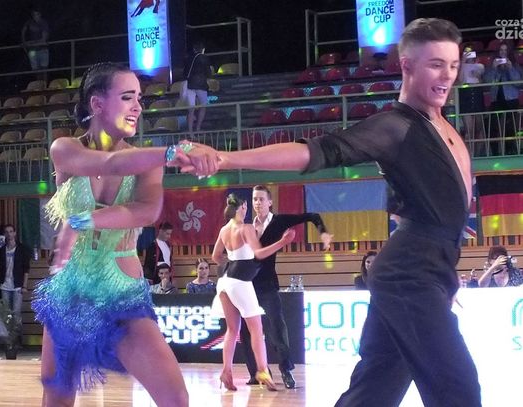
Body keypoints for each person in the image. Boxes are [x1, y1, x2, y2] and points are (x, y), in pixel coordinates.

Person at [175, 18, 482, 406]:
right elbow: (315, 153)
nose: (448, 75)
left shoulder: (440, 124)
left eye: (453, 65)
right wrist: (225, 158)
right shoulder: (395, 126)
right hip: (410, 273)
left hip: (423, 270)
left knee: (374, 390)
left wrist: (442, 276)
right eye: (436, 64)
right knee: (459, 390)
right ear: (407, 65)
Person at [31, 62, 189, 407]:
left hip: (123, 293)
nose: (138, 107)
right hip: (71, 292)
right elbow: (107, 164)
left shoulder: (145, 161)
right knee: (57, 398)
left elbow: (147, 211)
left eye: (139, 99)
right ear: (97, 103)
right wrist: (170, 153)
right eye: (127, 97)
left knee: (175, 398)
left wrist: (83, 221)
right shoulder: (64, 149)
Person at [239, 184, 332, 388]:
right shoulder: (247, 227)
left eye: (261, 199)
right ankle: (256, 372)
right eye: (255, 199)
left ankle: (286, 370)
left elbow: (313, 216)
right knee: (246, 331)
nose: (257, 203)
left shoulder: (279, 221)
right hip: (246, 285)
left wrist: (323, 233)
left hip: (267, 284)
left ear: (270, 202)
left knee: (277, 327)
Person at [211, 193, 295, 392]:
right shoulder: (245, 228)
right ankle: (262, 370)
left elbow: (215, 257)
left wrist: (233, 262)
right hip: (240, 283)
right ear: (244, 207)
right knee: (256, 329)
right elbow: (259, 253)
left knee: (232, 330)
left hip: (224, 282)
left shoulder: (224, 229)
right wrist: (282, 242)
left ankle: (226, 371)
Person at [483, 41, 522, 155]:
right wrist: (493, 68)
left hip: (511, 99)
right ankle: (495, 152)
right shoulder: (491, 66)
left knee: (510, 126)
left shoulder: (515, 66)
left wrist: (510, 68)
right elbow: (487, 83)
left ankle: (510, 151)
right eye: (501, 50)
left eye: (505, 50)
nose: (503, 53)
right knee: (493, 126)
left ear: (509, 52)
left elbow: (518, 83)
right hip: (496, 99)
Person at [0, 224, 30, 330]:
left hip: (17, 286)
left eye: (11, 231)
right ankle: (9, 337)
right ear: (4, 234)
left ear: (14, 233)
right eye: (7, 232)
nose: (9, 234)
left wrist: (24, 286)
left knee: (16, 312)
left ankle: (17, 338)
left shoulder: (22, 249)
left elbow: (26, 269)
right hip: (4, 286)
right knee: (7, 314)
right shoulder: (1, 250)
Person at [458, 47, 485, 156]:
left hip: (477, 95)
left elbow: (483, 82)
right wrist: (463, 62)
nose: (468, 54)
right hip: (466, 96)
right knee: (469, 130)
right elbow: (460, 81)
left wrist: (478, 76)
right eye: (466, 52)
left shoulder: (480, 66)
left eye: (470, 52)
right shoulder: (460, 66)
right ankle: (470, 154)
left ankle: (478, 154)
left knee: (479, 128)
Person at [182, 41, 211, 132]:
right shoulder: (204, 58)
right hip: (201, 85)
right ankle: (198, 128)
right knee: (203, 106)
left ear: (194, 49)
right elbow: (208, 73)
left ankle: (190, 132)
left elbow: (185, 73)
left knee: (191, 109)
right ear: (203, 50)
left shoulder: (188, 58)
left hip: (190, 85)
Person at [21, 7, 49, 72]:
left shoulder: (44, 23)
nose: (35, 16)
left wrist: (29, 43)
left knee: (44, 69)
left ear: (40, 14)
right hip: (32, 50)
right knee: (35, 70)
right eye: (34, 14)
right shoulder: (29, 22)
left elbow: (43, 39)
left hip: (43, 49)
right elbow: (23, 32)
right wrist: (24, 42)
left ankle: (44, 79)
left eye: (37, 14)